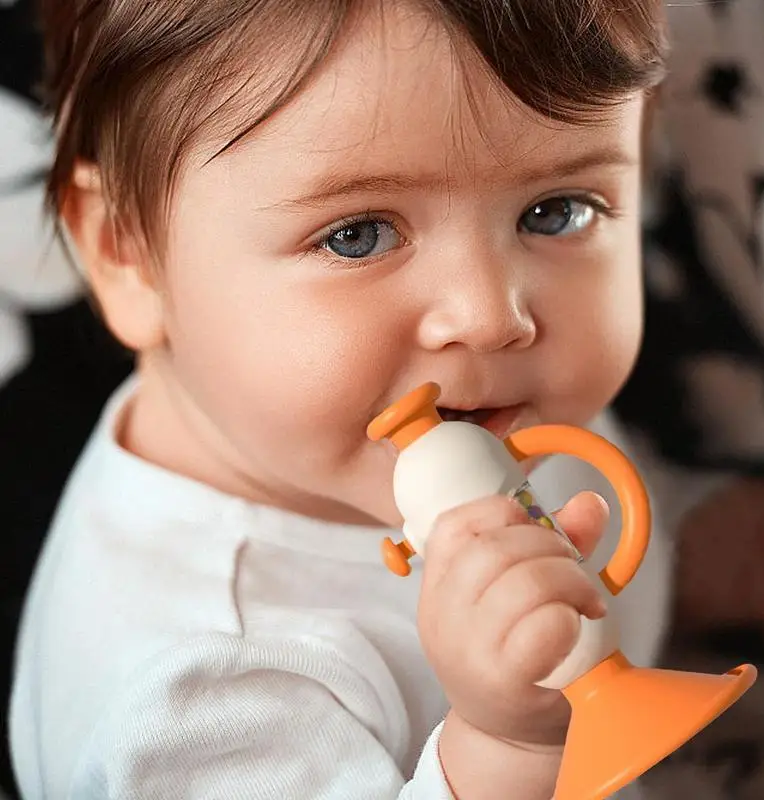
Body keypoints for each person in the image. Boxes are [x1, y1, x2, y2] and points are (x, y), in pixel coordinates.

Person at [9, 1, 669, 798]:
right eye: (357, 235)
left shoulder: (454, 412)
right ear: (129, 256)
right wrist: (508, 752)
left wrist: (697, 539)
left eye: (556, 211)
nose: (493, 317)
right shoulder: (206, 696)